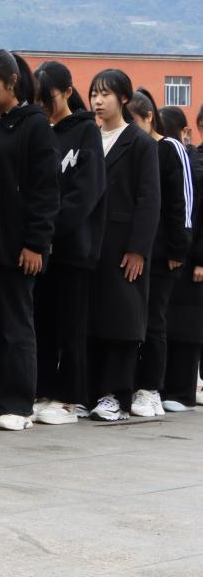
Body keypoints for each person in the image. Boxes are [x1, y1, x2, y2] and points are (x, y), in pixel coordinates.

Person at [0, 50, 60, 431]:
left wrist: (36, 242)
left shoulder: (35, 125)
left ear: (12, 81)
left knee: (15, 326)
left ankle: (18, 404)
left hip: (19, 246)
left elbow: (46, 190)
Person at [29, 61, 106, 425]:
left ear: (67, 92)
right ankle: (44, 390)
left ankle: (70, 398)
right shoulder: (41, 132)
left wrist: (52, 230)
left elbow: (85, 192)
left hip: (74, 247)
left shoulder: (86, 131)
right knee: (43, 322)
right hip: (43, 247)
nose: (43, 106)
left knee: (71, 326)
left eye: (49, 98)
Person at [87, 69, 160, 421]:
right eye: (94, 94)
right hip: (91, 244)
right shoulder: (89, 138)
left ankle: (117, 395)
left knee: (123, 322)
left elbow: (149, 200)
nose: (98, 101)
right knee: (93, 320)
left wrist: (138, 249)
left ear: (124, 98)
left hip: (123, 246)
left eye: (106, 94)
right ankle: (92, 393)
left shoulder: (141, 143)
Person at [128, 88, 191, 417]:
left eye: (134, 121)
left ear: (149, 117)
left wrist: (179, 247)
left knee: (155, 320)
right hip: (133, 250)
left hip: (164, 251)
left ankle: (151, 388)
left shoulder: (170, 148)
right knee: (133, 321)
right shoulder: (132, 148)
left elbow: (183, 202)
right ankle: (130, 385)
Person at [161, 106, 203, 412]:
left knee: (189, 325)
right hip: (179, 252)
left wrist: (201, 257)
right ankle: (168, 387)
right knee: (172, 322)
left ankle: (184, 390)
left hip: (195, 257)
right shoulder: (190, 158)